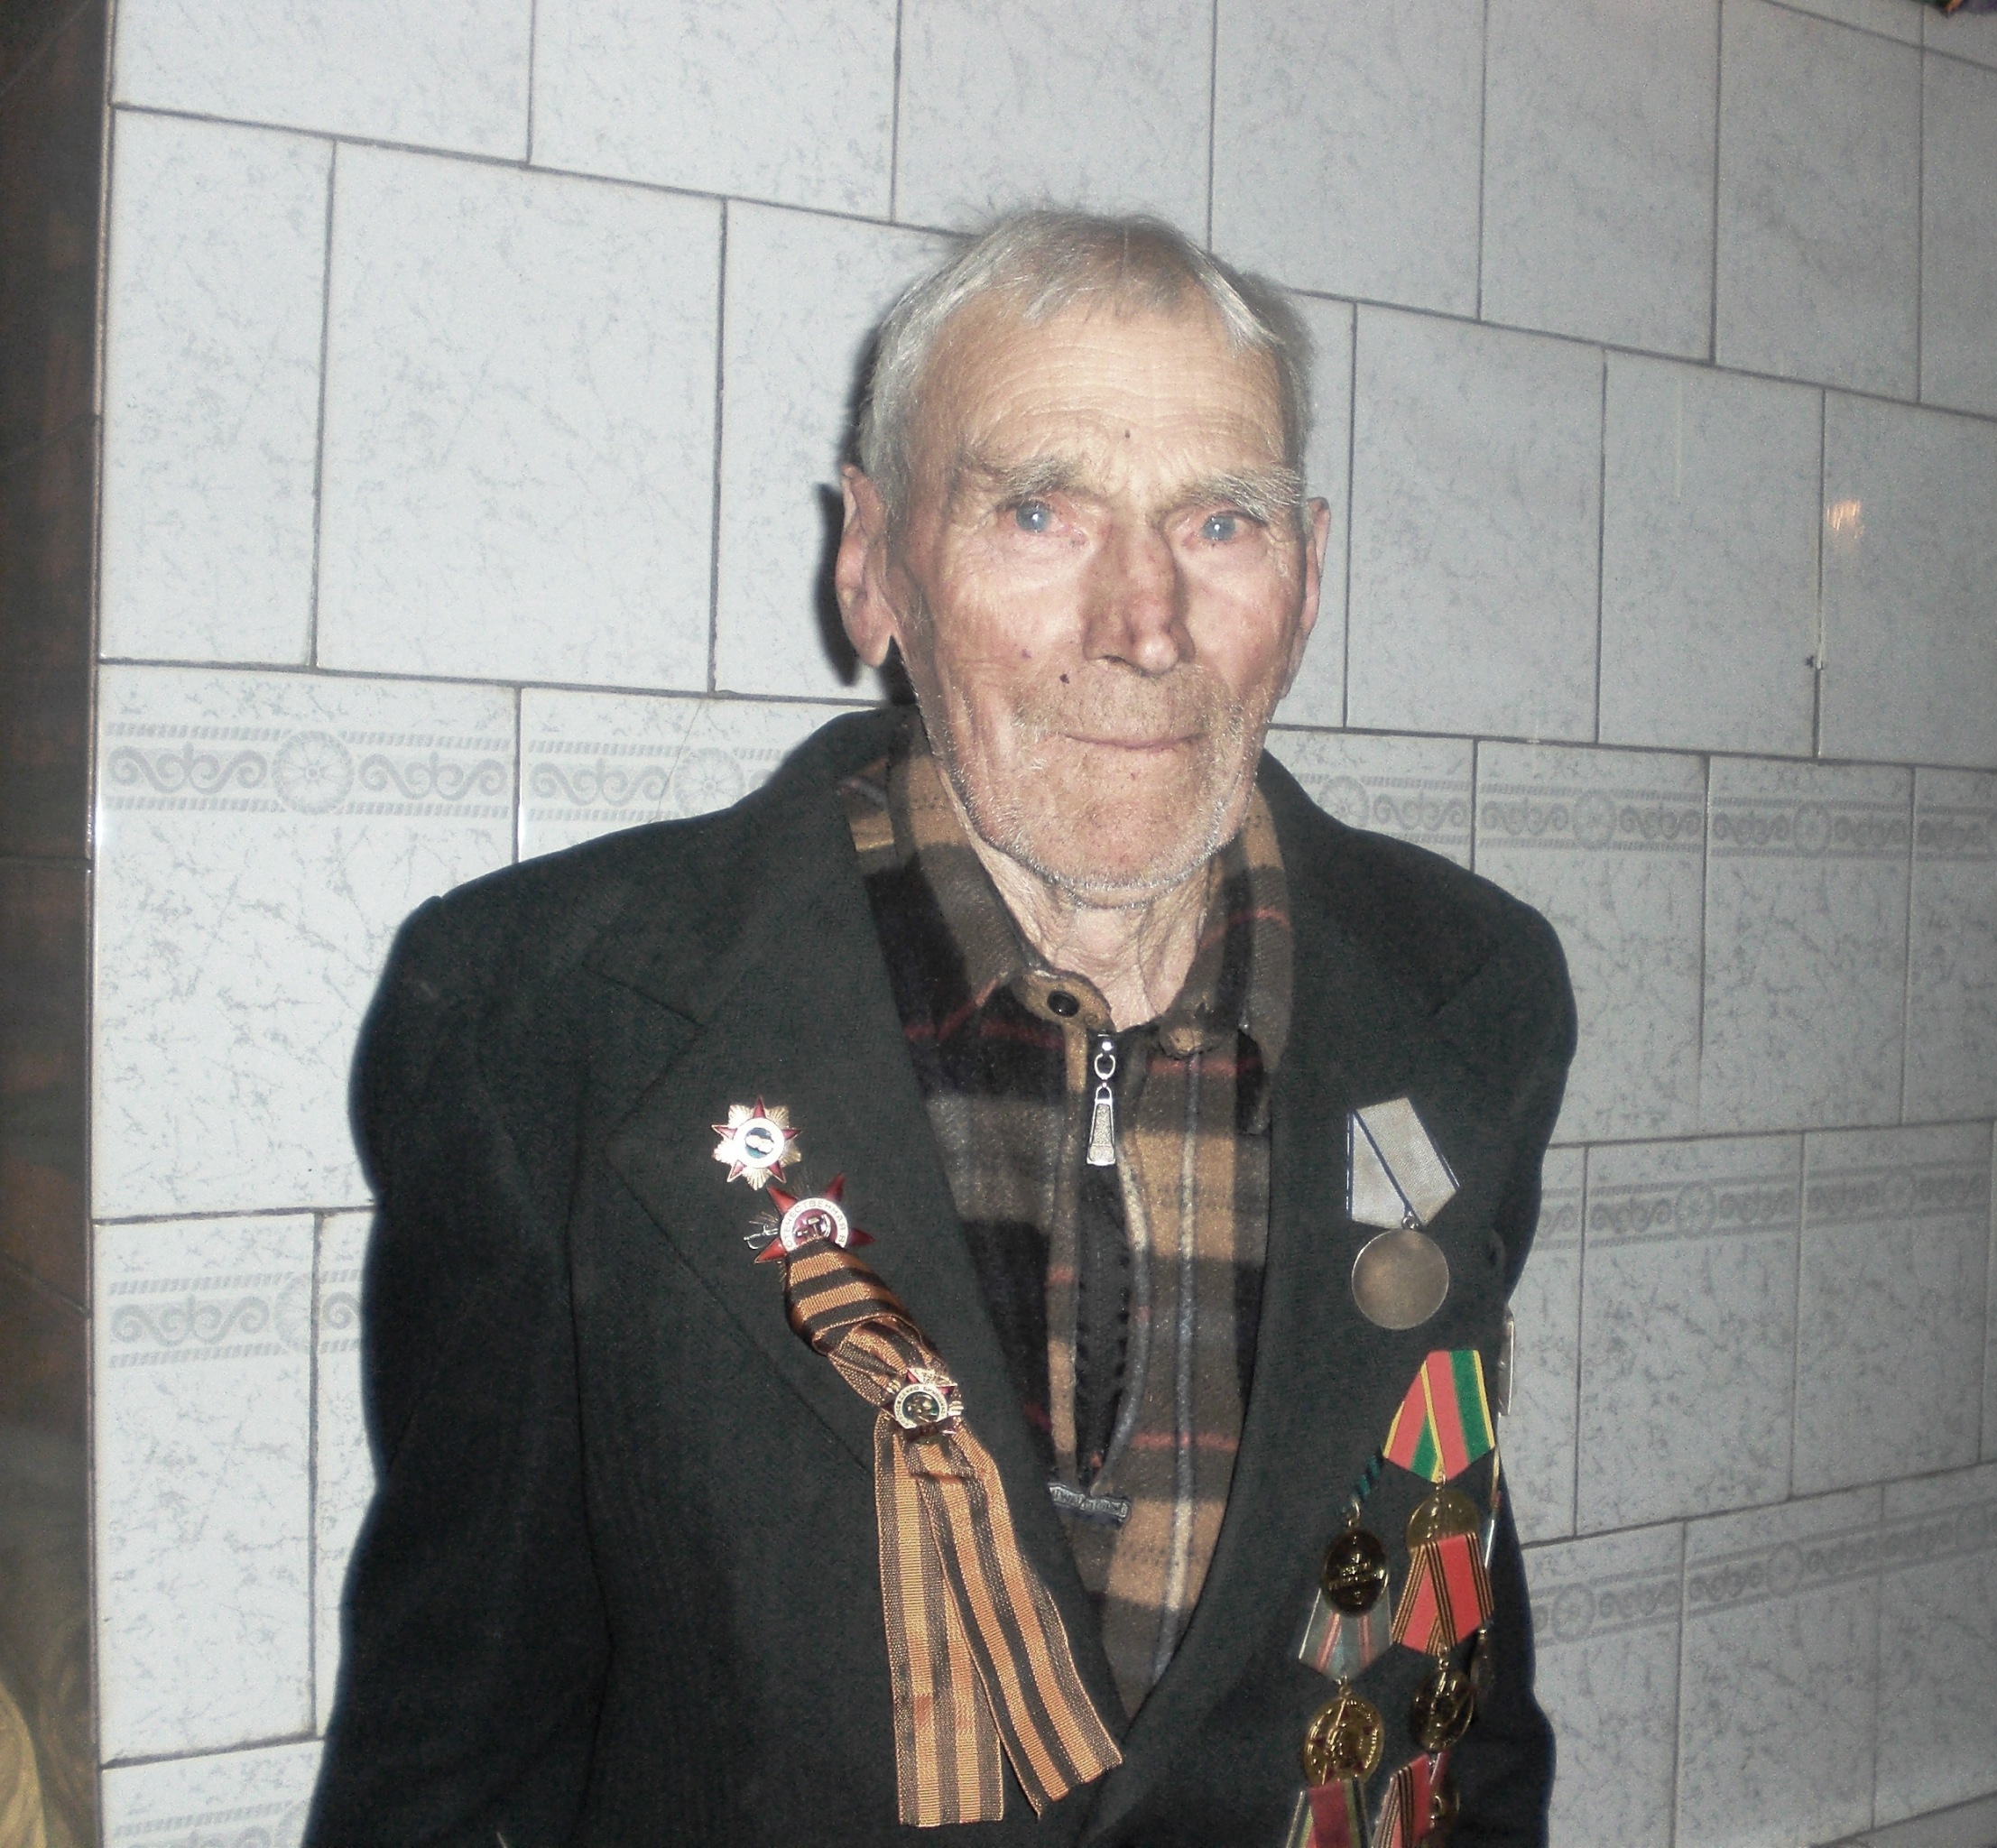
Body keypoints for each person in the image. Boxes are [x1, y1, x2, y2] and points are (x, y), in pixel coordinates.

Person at [307, 211, 1574, 1848]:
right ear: (874, 562)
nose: (1145, 623)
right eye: (1039, 511)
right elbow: (455, 1736)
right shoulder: (551, 1014)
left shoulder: (1471, 994)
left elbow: (1460, 1646)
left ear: (1309, 573)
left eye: (1222, 521)